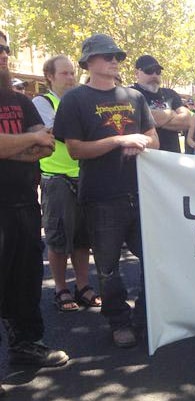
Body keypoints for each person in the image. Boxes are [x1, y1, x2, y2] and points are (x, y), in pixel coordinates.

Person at [52, 33, 159, 348]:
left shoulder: (134, 97)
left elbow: (152, 137)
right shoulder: (75, 99)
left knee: (154, 258)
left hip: (141, 193)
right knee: (109, 269)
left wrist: (139, 141)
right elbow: (74, 150)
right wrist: (119, 140)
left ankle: (143, 316)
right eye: (106, 55)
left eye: (117, 56)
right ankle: (118, 321)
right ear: (89, 61)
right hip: (100, 197)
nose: (114, 60)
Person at [0, 30, 69, 368]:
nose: (3, 54)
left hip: (24, 203)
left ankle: (26, 346)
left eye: (5, 48)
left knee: (25, 282)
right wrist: (24, 140)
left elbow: (47, 145)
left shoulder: (20, 101)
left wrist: (7, 147)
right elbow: (34, 141)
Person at [31, 55, 100, 312]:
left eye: (72, 73)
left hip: (84, 175)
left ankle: (82, 286)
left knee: (83, 238)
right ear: (50, 76)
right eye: (64, 74)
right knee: (59, 238)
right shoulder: (42, 102)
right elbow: (56, 132)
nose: (71, 78)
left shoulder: (80, 100)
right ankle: (61, 288)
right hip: (57, 178)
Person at [132, 55, 190, 153]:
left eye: (158, 71)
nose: (154, 75)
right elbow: (137, 120)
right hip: (144, 159)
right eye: (149, 70)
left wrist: (150, 121)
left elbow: (187, 121)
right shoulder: (130, 94)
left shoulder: (170, 94)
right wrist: (171, 114)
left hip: (172, 159)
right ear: (137, 73)